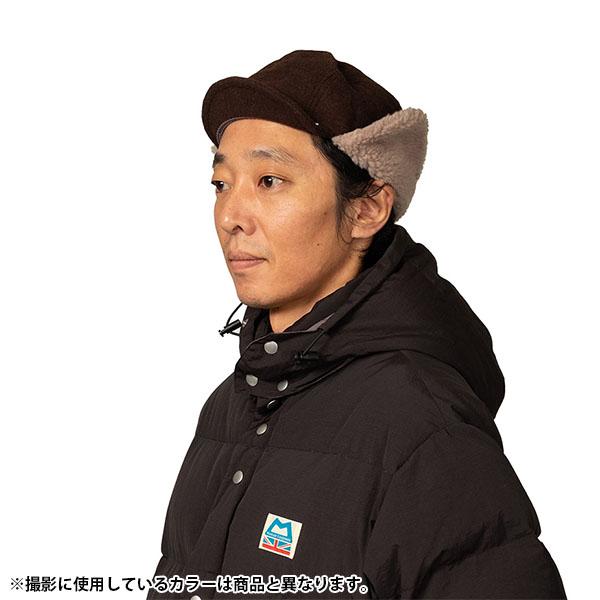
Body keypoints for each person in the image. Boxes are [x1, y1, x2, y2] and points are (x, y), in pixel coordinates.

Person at [147, 50, 567, 600]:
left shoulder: (421, 423)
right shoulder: (229, 406)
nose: (230, 216)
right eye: (221, 183)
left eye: (270, 180)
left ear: (367, 210)